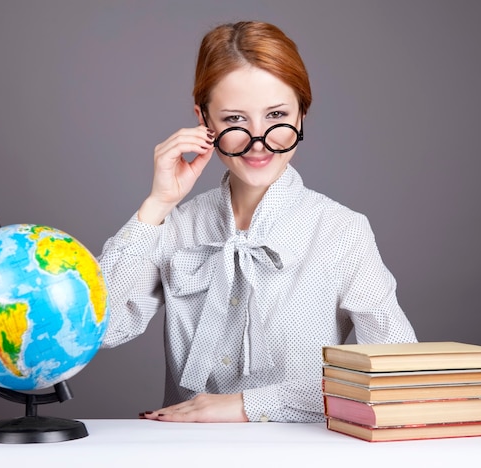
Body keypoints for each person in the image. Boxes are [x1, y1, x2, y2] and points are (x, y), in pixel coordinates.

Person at [98, 21, 417, 423]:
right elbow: (101, 328)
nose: (260, 140)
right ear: (204, 121)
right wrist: (156, 206)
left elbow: (398, 374)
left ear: (302, 114)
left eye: (277, 115)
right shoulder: (177, 227)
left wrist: (251, 406)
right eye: (234, 120)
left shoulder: (340, 231)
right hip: (184, 454)